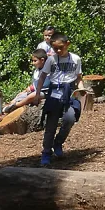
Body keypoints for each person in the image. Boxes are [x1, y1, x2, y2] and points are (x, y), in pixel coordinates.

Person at [38, 35, 84, 166]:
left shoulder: (76, 59)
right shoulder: (51, 60)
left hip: (69, 92)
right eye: (55, 48)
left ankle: (58, 143)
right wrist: (37, 93)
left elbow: (79, 77)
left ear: (67, 44)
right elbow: (42, 76)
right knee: (51, 124)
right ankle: (46, 152)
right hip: (54, 92)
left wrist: (81, 88)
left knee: (70, 118)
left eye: (60, 48)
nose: (58, 51)